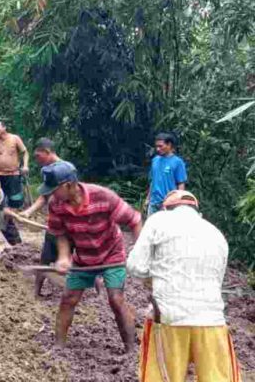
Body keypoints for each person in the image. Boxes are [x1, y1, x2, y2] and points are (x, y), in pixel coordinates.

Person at [127, 190, 241, 381]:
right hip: (211, 320)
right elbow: (218, 281)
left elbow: (135, 266)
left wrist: (156, 273)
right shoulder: (216, 233)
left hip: (169, 318)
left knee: (162, 377)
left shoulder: (158, 221)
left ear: (166, 208)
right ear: (197, 211)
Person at [42, 161, 142, 353]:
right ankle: (58, 347)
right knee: (68, 298)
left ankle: (131, 351)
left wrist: (138, 253)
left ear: (69, 185)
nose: (51, 194)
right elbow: (60, 233)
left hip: (111, 255)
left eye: (54, 189)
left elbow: (135, 220)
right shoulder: (56, 204)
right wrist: (64, 257)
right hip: (83, 257)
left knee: (115, 299)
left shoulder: (103, 197)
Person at [19, 138, 63, 297]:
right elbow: (44, 196)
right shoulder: (48, 170)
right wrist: (28, 212)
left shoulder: (65, 171)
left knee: (70, 262)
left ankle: (74, 293)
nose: (36, 160)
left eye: (38, 156)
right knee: (45, 259)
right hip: (53, 225)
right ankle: (36, 293)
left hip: (67, 228)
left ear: (47, 152)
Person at [0, 120, 29, 210]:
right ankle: (1, 218)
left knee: (14, 199)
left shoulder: (14, 138)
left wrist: (25, 166)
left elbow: (25, 152)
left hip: (13, 174)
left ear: (4, 128)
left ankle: (11, 220)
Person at [146, 132, 187, 216]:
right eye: (156, 146)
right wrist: (147, 199)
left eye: (160, 146)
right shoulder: (155, 160)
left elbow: (181, 184)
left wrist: (178, 202)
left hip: (169, 203)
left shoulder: (177, 162)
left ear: (169, 145)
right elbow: (153, 181)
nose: (157, 149)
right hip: (153, 203)